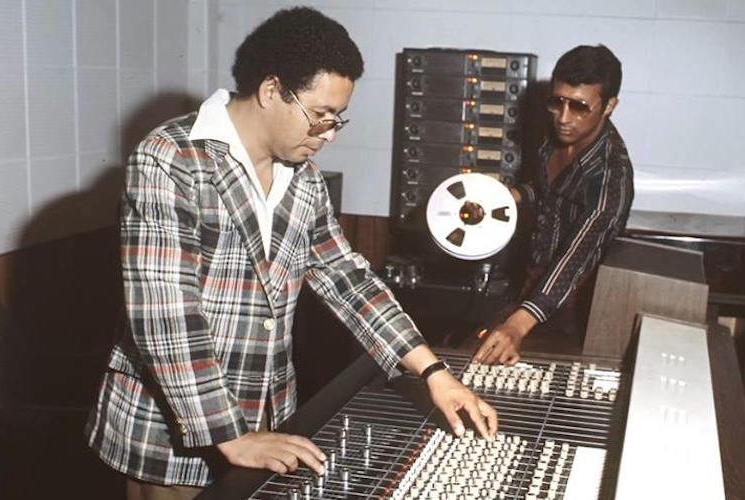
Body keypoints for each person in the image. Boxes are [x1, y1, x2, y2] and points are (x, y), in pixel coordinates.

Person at [86, 7, 497, 499]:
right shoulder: (170, 159)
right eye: (319, 116)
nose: (328, 134)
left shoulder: (305, 183)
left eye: (336, 119)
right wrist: (230, 434)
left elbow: (350, 281)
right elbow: (165, 313)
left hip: (267, 419)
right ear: (270, 90)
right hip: (172, 435)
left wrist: (433, 373)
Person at [473, 45, 635, 365]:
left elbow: (576, 257)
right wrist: (509, 197)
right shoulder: (558, 134)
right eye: (556, 102)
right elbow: (549, 190)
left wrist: (518, 325)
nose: (563, 118)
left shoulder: (611, 175)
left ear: (609, 106)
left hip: (576, 308)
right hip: (532, 284)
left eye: (579, 107)